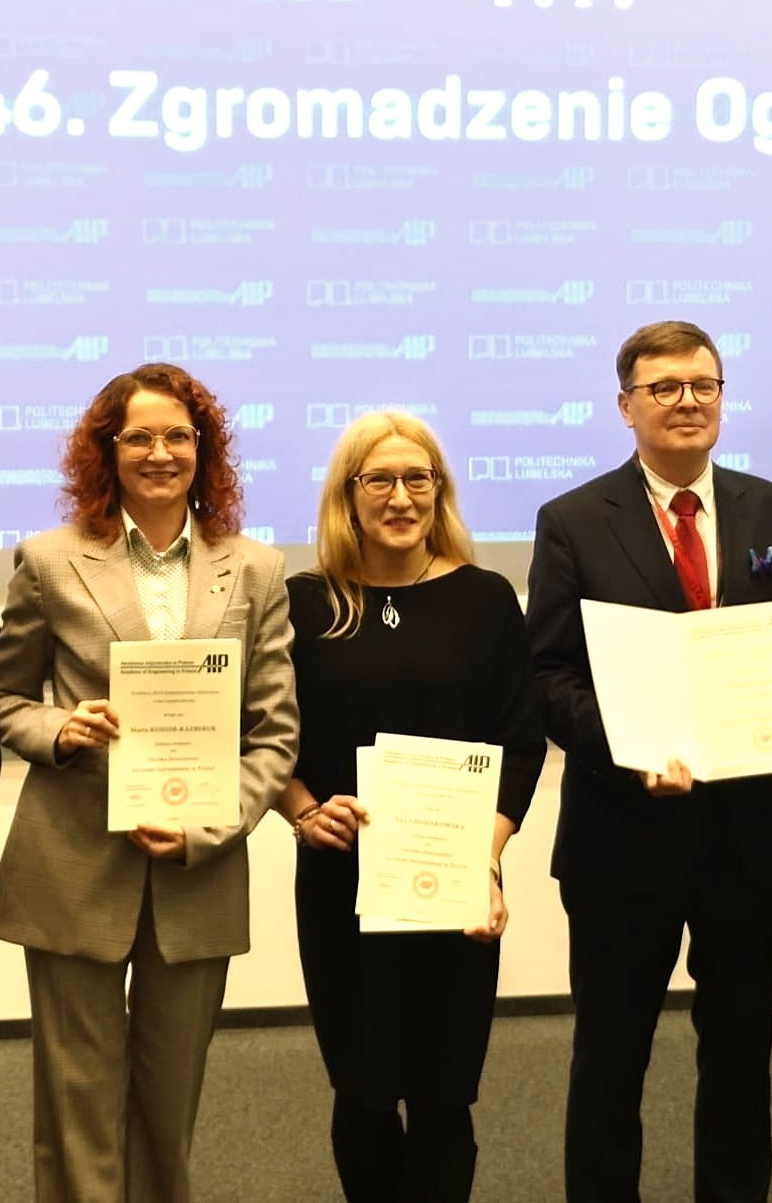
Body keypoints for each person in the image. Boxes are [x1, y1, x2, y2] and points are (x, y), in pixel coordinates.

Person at [526, 319, 772, 1203]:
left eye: (703, 384)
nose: (686, 401)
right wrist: (629, 751)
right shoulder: (573, 520)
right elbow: (547, 675)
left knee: (740, 1056)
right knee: (610, 1057)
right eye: (662, 387)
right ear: (624, 405)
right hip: (624, 838)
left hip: (752, 837)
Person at [0, 363, 298, 1203]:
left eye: (179, 436)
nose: (161, 453)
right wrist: (59, 729)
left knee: (169, 1102)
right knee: (76, 1100)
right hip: (72, 861)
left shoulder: (255, 569)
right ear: (107, 450)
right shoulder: (49, 560)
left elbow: (274, 732)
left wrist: (210, 826)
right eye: (140, 437)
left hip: (198, 865)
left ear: (203, 449)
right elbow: (3, 697)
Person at [279, 411, 545, 1202]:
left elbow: (518, 742)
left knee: (442, 1092)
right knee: (361, 1092)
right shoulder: (303, 604)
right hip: (342, 884)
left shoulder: (486, 599)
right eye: (379, 480)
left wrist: (485, 862)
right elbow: (264, 737)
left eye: (416, 478)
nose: (400, 497)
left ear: (439, 490)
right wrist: (300, 810)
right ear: (347, 494)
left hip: (454, 883)